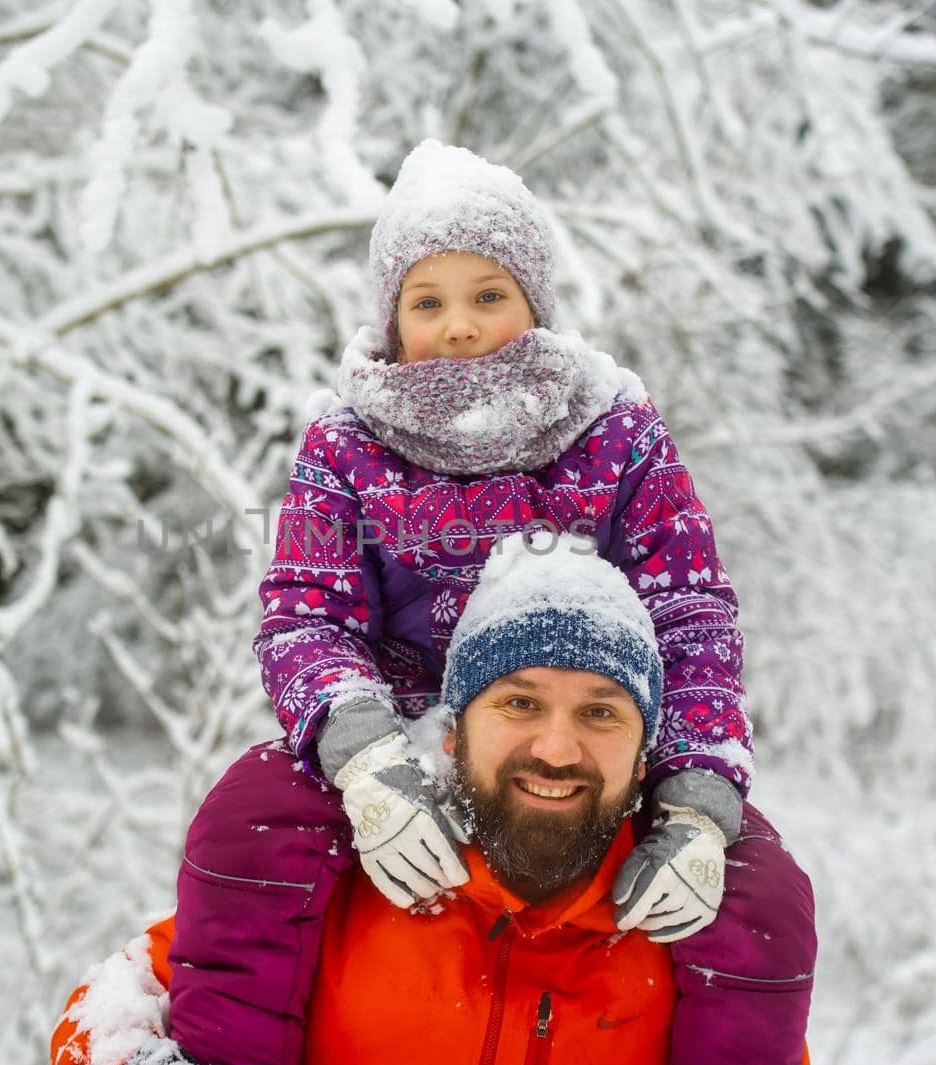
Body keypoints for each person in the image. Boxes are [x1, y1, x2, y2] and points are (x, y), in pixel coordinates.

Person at [171, 141, 814, 1064]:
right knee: (256, 817)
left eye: (489, 295)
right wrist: (364, 759)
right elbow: (308, 610)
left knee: (762, 895)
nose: (461, 326)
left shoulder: (614, 429)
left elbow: (690, 612)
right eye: (428, 302)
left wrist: (696, 802)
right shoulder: (348, 440)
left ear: (535, 305)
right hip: (400, 727)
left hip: (578, 716)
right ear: (391, 319)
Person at [53, 537, 813, 1063]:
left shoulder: (695, 942)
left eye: (601, 712)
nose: (557, 746)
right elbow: (118, 991)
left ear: (646, 754)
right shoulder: (332, 883)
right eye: (519, 703)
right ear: (450, 734)